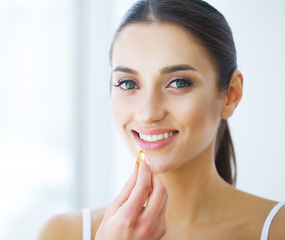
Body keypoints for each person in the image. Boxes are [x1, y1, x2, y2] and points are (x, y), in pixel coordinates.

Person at [38, 0, 285, 239]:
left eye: (178, 83)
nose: (147, 113)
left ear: (231, 95)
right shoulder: (63, 234)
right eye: (128, 83)